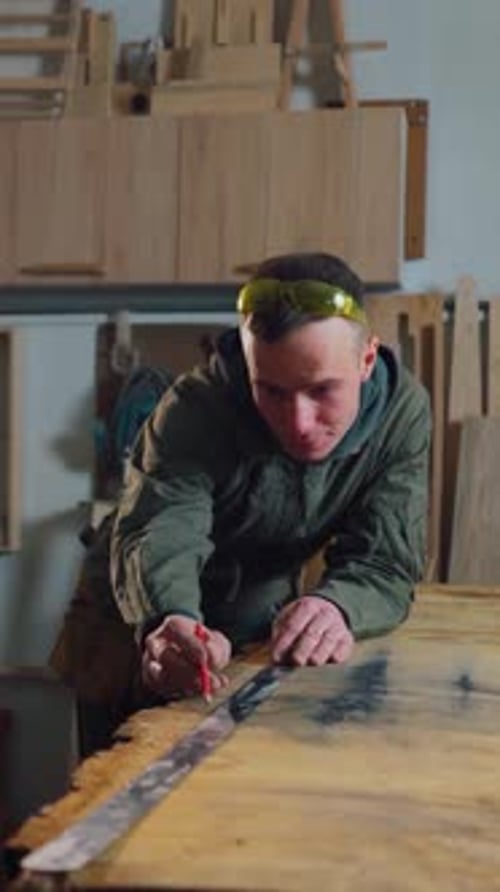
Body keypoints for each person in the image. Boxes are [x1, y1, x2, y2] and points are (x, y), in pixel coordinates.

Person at [51, 252, 431, 756]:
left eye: (322, 390)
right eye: (270, 391)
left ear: (366, 361)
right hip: (137, 611)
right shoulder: (193, 407)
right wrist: (167, 619)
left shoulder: (403, 414)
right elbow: (165, 527)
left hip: (255, 612)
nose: (298, 422)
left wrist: (338, 605)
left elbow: (385, 558)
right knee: (126, 782)